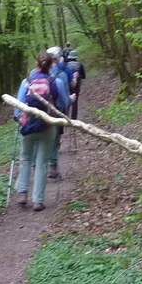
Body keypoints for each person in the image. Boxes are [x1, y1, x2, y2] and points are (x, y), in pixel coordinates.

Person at [13, 51, 69, 211]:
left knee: (25, 158)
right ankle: (38, 200)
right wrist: (70, 99)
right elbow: (64, 103)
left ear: (36, 64)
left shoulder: (26, 82)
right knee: (42, 162)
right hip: (47, 125)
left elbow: (18, 107)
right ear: (52, 64)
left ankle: (22, 193)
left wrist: (19, 119)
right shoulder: (56, 82)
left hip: (28, 125)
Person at [45, 46, 71, 179]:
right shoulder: (62, 75)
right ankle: (52, 166)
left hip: (36, 112)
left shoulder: (33, 75)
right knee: (55, 139)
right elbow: (65, 101)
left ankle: (37, 163)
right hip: (55, 112)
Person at [64, 49, 85, 122]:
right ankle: (74, 118)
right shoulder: (80, 65)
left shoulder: (66, 65)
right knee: (75, 101)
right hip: (77, 85)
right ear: (76, 57)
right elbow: (84, 76)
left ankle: (65, 116)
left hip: (68, 85)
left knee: (67, 99)